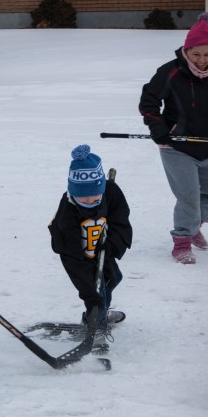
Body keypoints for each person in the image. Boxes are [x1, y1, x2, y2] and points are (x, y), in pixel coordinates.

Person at [139, 12, 208, 264]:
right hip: (176, 145)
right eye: (196, 54)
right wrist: (159, 128)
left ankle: (194, 221)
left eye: (207, 54)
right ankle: (182, 241)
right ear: (187, 51)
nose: (202, 60)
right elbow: (148, 102)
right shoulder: (171, 72)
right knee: (188, 196)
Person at [48, 145, 132, 352]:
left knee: (114, 278)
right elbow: (70, 253)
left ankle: (99, 313)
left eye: (96, 198)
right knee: (95, 292)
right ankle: (96, 325)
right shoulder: (67, 212)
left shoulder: (110, 192)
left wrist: (111, 243)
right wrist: (89, 295)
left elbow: (121, 221)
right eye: (84, 199)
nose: (91, 202)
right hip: (77, 256)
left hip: (104, 249)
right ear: (73, 191)